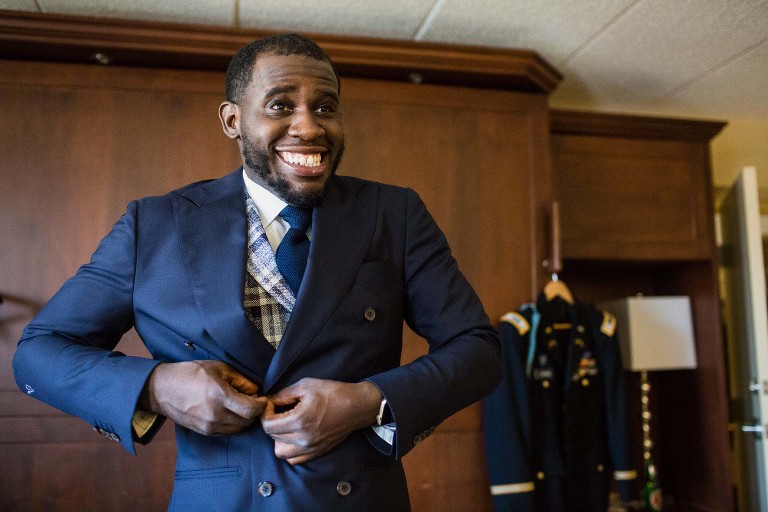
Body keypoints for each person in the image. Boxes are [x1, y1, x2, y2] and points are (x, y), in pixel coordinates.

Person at [13, 33, 502, 511]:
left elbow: (479, 352)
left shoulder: (393, 213)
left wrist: (366, 402)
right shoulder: (155, 224)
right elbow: (39, 353)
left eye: (325, 107)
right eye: (280, 105)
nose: (309, 127)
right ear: (232, 119)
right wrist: (158, 388)